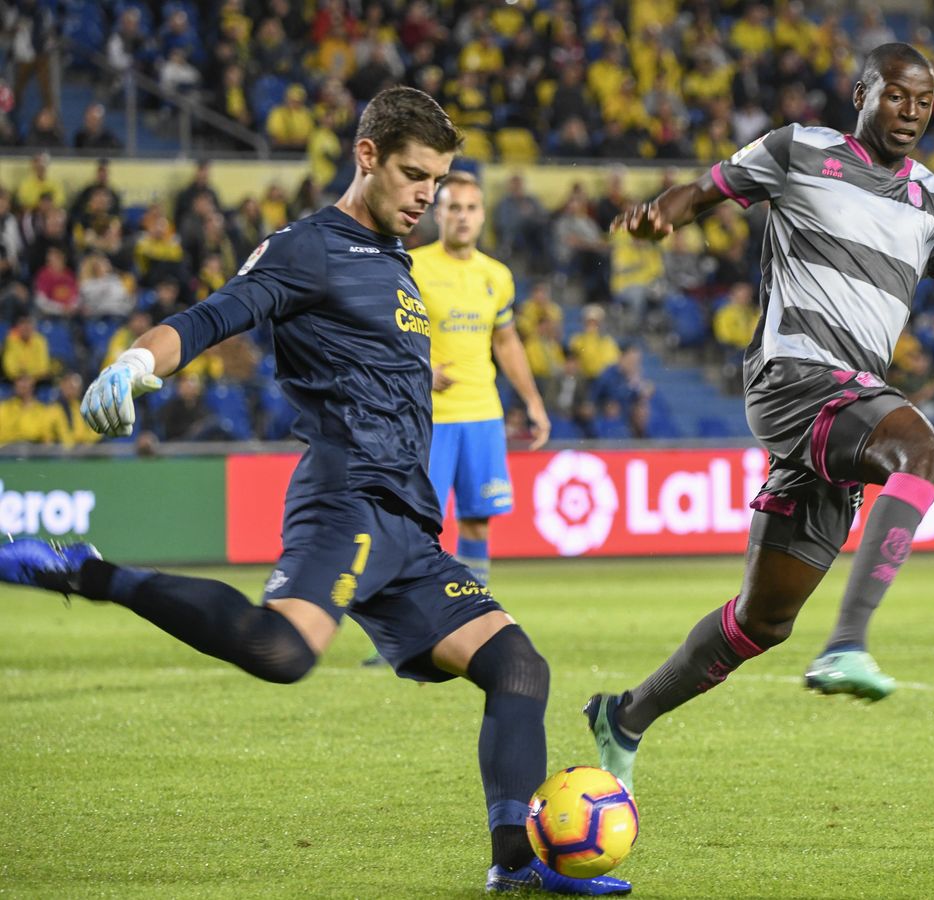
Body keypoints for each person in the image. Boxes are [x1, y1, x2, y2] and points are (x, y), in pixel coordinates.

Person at [0, 87, 628, 897]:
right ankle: (84, 571)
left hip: (408, 520)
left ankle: (515, 862)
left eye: (436, 180)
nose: (426, 196)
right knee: (281, 652)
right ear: (365, 156)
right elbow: (210, 317)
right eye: (413, 175)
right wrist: (135, 363)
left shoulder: (395, 259)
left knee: (517, 667)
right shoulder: (308, 248)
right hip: (348, 497)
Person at [585, 43, 934, 792]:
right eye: (897, 96)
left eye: (924, 102)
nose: (912, 112)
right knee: (923, 454)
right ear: (863, 92)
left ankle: (623, 717)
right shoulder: (799, 149)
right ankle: (848, 644)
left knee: (762, 621)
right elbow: (704, 191)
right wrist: (664, 216)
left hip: (850, 400)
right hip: (793, 377)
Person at [407, 170, 549, 585]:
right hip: (429, 417)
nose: (462, 217)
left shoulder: (497, 276)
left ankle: (472, 619)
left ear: (483, 215)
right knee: (418, 526)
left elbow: (506, 343)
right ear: (438, 213)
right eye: (453, 208)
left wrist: (533, 402)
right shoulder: (413, 267)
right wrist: (420, 367)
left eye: (470, 208)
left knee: (477, 522)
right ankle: (414, 628)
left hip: (482, 413)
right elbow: (387, 335)